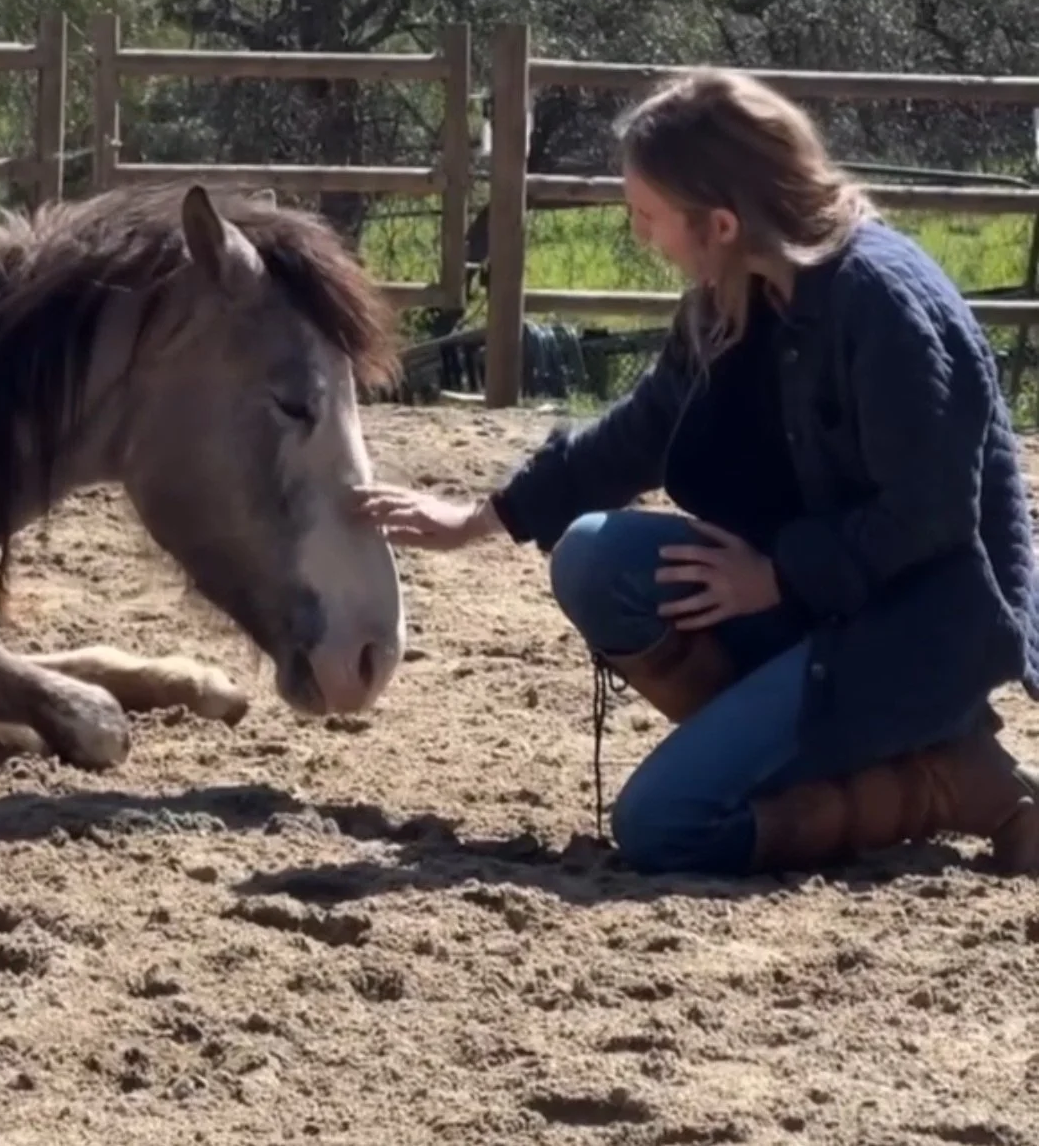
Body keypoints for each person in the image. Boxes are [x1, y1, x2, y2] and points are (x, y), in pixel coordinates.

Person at [352, 68, 1039, 878]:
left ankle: (948, 783)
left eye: (647, 216)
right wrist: (481, 517)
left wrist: (778, 574)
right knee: (594, 558)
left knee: (663, 824)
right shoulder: (737, 292)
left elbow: (929, 517)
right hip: (824, 603)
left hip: (920, 636)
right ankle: (830, 746)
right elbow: (640, 432)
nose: (642, 236)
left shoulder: (882, 306)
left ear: (719, 221)